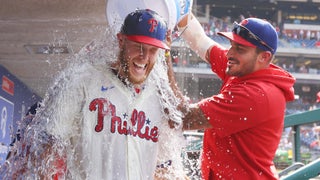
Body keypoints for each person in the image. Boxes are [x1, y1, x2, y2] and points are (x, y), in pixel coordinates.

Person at [6, 9, 186, 179]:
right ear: (121, 41)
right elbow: (47, 152)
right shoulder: (81, 80)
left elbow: (164, 165)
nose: (144, 57)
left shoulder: (159, 95)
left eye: (153, 50)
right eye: (138, 46)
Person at [172, 13, 296, 179]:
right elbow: (201, 41)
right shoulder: (244, 69)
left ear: (264, 57)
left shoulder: (256, 94)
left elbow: (182, 118)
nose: (230, 53)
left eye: (240, 49)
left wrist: (164, 55)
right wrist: (181, 10)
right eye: (232, 45)